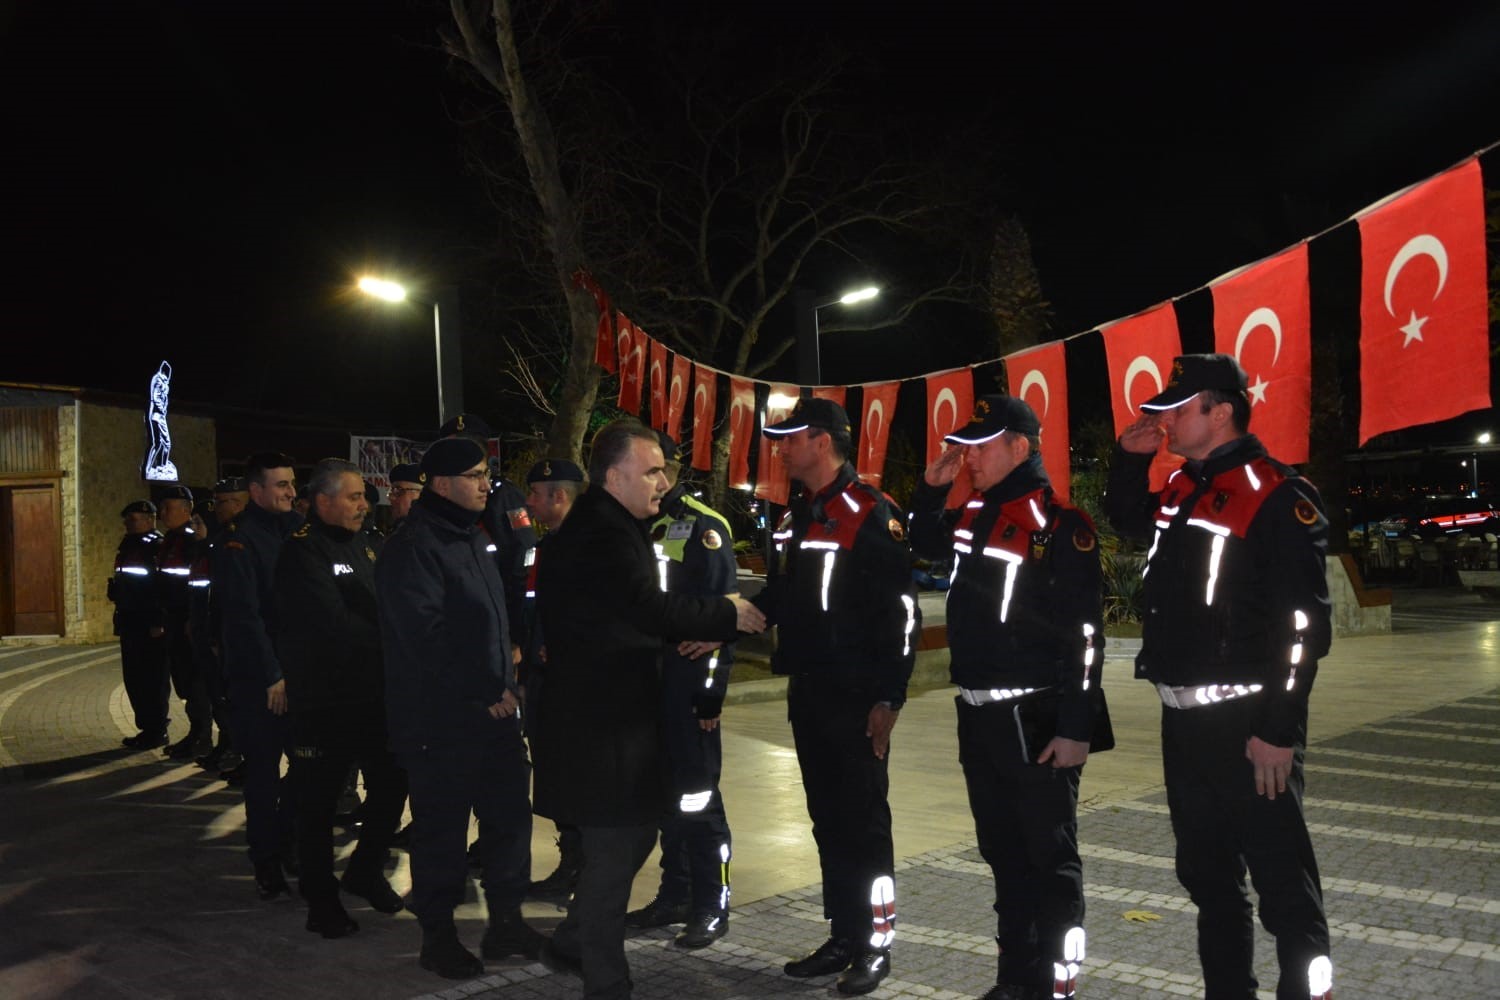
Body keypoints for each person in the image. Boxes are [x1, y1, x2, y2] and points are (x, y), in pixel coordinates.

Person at [1104, 354, 1334, 1000]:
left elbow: (1303, 630)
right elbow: (1125, 520)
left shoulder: (1278, 494)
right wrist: (1129, 458)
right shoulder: (1184, 488)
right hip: (1184, 720)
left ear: (1221, 409)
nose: (1165, 420)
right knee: (1208, 880)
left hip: (1247, 722)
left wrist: (1277, 730)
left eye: (1179, 407)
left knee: (1283, 886)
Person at [531, 418, 764, 1000]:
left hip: (612, 722)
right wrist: (726, 613)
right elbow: (647, 608)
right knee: (617, 850)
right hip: (601, 727)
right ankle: (606, 982)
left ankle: (572, 939)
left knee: (631, 839)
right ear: (615, 476)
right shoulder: (602, 535)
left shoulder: (610, 524)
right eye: (651, 469)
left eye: (663, 468)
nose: (663, 480)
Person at [909, 396, 1110, 1000]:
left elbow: (1085, 636)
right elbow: (923, 545)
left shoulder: (1059, 524)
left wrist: (1075, 726)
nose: (968, 455)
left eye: (982, 444)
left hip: (1036, 714)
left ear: (1019, 447)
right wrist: (929, 489)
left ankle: (1056, 985)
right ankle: (1013, 980)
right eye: (966, 444)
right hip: (978, 712)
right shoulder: (975, 512)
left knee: (1050, 861)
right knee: (1003, 855)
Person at [752, 397, 918, 996]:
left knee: (865, 825)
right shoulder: (797, 514)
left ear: (822, 441)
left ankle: (876, 945)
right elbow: (780, 594)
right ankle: (844, 935)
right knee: (828, 822)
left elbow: (901, 613)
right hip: (810, 693)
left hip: (857, 698)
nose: (782, 447)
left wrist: (889, 698)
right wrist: (720, 619)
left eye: (791, 438)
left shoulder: (871, 512)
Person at [376, 437, 546, 979]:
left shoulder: (472, 537)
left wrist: (507, 673)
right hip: (441, 721)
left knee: (509, 823)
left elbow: (487, 622)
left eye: (486, 474)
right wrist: (485, 689)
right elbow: (425, 638)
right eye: (474, 475)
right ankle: (439, 936)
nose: (485, 484)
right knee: (443, 834)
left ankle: (506, 923)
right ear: (442, 483)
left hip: (493, 712)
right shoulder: (414, 545)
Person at [274, 458, 407, 939]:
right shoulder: (302, 552)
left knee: (392, 785)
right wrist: (392, 637)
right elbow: (331, 624)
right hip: (325, 703)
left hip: (373, 697)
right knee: (319, 803)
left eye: (364, 496)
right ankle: (320, 897)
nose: (363, 504)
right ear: (324, 500)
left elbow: (383, 606)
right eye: (353, 496)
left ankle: (365, 871)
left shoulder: (370, 545)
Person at [625, 433, 739, 949]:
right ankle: (674, 894)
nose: (658, 480)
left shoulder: (704, 527)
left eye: (660, 470)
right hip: (646, 688)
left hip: (688, 691)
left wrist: (710, 695)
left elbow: (724, 618)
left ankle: (711, 905)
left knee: (698, 801)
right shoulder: (632, 524)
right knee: (666, 800)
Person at [213, 452, 303, 900]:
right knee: (264, 776)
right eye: (281, 485)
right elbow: (244, 619)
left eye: (292, 484)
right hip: (260, 683)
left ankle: (286, 841)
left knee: (309, 766)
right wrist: (272, 676)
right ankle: (266, 860)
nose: (291, 492)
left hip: (299, 675)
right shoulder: (239, 542)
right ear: (256, 492)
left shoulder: (297, 531)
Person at [518, 457, 587, 905]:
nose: (528, 503)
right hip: (546, 682)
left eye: (535, 494)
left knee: (577, 782)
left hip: (578, 688)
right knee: (556, 778)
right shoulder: (546, 546)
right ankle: (570, 865)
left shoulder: (589, 545)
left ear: (558, 496)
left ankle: (585, 872)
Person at [190, 478, 249, 776]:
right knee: (218, 695)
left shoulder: (226, 545)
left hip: (229, 635)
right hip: (212, 630)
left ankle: (236, 751)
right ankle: (228, 748)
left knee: (231, 698)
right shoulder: (208, 547)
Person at [155, 485, 213, 759]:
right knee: (184, 680)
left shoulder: (192, 540)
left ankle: (202, 736)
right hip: (175, 619)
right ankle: (196, 733)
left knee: (196, 680)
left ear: (186, 510)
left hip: (189, 621)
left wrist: (192, 619)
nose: (162, 513)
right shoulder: (170, 539)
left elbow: (195, 584)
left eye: (168, 507)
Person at [109, 499, 169, 749]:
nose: (127, 524)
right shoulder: (130, 544)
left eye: (132, 520)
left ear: (149, 519)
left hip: (147, 624)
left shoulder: (155, 546)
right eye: (127, 520)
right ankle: (147, 727)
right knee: (134, 678)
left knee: (151, 678)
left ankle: (156, 730)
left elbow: (159, 587)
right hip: (130, 619)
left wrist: (157, 621)